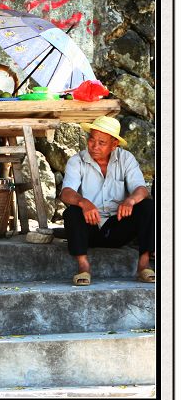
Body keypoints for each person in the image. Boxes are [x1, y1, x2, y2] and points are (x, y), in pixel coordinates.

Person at [59, 116, 155, 286]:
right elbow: (66, 193)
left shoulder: (126, 159)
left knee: (148, 206)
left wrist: (131, 201)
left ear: (114, 144)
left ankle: (144, 264)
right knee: (72, 212)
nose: (95, 147)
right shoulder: (77, 161)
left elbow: (141, 189)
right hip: (90, 227)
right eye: (92, 140)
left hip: (118, 225)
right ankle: (83, 266)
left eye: (102, 143)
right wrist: (83, 202)